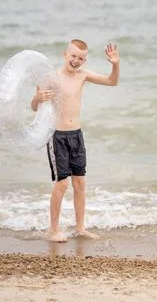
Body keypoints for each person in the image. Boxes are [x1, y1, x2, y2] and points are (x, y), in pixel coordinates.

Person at [31, 39, 120, 242]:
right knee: (61, 185)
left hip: (76, 135)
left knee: (80, 183)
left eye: (81, 58)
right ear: (65, 54)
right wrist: (38, 98)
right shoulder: (51, 78)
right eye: (73, 56)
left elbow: (112, 81)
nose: (76, 60)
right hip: (57, 136)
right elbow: (34, 107)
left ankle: (80, 228)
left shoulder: (83, 75)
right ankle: (54, 230)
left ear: (84, 60)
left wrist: (115, 64)